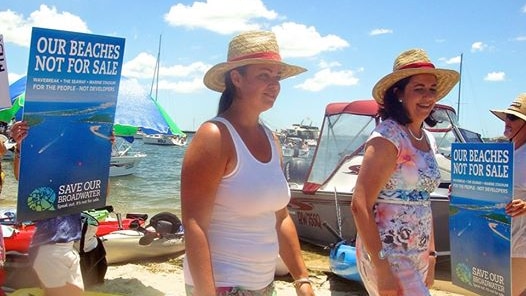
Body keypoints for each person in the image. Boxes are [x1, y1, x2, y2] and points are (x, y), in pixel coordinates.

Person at [181, 30, 314, 296]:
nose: (274, 85)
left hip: (264, 284)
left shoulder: (271, 138)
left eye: (277, 77)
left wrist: (302, 278)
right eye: (264, 75)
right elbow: (194, 225)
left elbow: (281, 217)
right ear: (237, 78)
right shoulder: (215, 136)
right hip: (223, 284)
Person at [351, 48, 460, 295]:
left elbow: (423, 200)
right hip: (389, 253)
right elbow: (359, 205)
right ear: (398, 93)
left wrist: (432, 256)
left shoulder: (428, 139)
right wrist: (381, 266)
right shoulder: (387, 137)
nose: (427, 96)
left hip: (419, 251)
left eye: (432, 89)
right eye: (418, 88)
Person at [10, 120, 84, 296]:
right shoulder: (44, 175)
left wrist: (103, 153)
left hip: (68, 247)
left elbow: (102, 191)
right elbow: (21, 176)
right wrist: (20, 147)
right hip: (49, 248)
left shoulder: (77, 174)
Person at [490, 93, 526, 296]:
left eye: (513, 118)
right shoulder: (509, 152)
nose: (507, 122)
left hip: (521, 246)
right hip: (503, 241)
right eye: (506, 117)